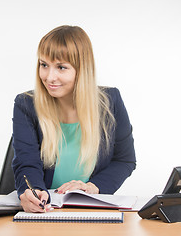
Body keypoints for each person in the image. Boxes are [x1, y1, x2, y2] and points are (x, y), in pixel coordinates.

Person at [12, 25, 136, 213]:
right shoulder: (26, 104)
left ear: (82, 69)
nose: (49, 77)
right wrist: (34, 191)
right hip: (45, 212)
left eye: (61, 67)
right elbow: (26, 161)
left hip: (91, 211)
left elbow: (124, 160)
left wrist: (93, 187)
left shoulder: (111, 102)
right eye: (44, 65)